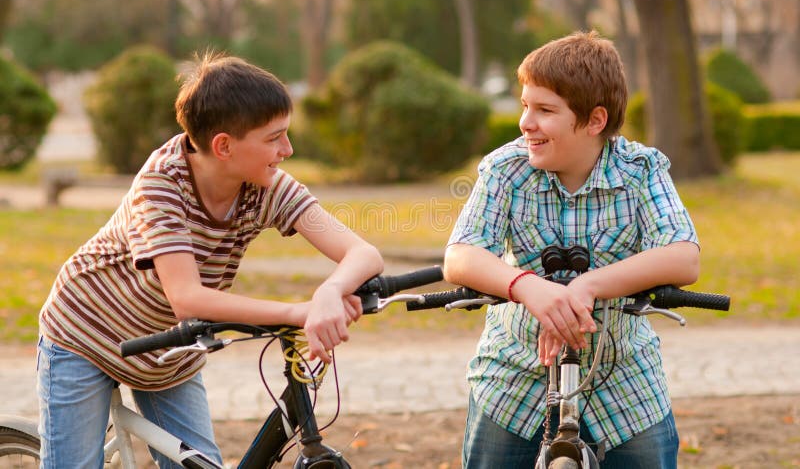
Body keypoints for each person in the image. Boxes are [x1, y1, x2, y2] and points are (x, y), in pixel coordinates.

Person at [37, 52, 384, 468]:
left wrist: (330, 291)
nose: (287, 149)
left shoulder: (266, 184)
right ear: (223, 146)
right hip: (86, 336)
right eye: (274, 138)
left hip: (168, 353)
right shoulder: (161, 185)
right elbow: (187, 298)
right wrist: (297, 312)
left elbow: (363, 253)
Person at [443, 31, 699, 468]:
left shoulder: (641, 170)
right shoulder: (506, 169)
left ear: (595, 120)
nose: (526, 122)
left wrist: (587, 285)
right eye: (525, 105)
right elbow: (461, 255)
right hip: (515, 376)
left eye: (544, 110)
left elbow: (683, 255)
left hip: (623, 380)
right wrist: (530, 289)